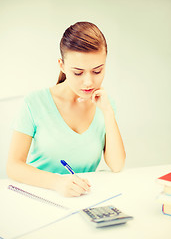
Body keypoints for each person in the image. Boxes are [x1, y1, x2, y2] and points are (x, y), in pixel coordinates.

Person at [7, 21, 126, 197]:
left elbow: (117, 165)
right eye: (78, 72)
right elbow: (13, 166)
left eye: (97, 71)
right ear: (62, 65)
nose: (88, 82)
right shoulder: (34, 102)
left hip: (82, 199)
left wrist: (108, 112)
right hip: (40, 196)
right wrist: (57, 182)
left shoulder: (105, 104)